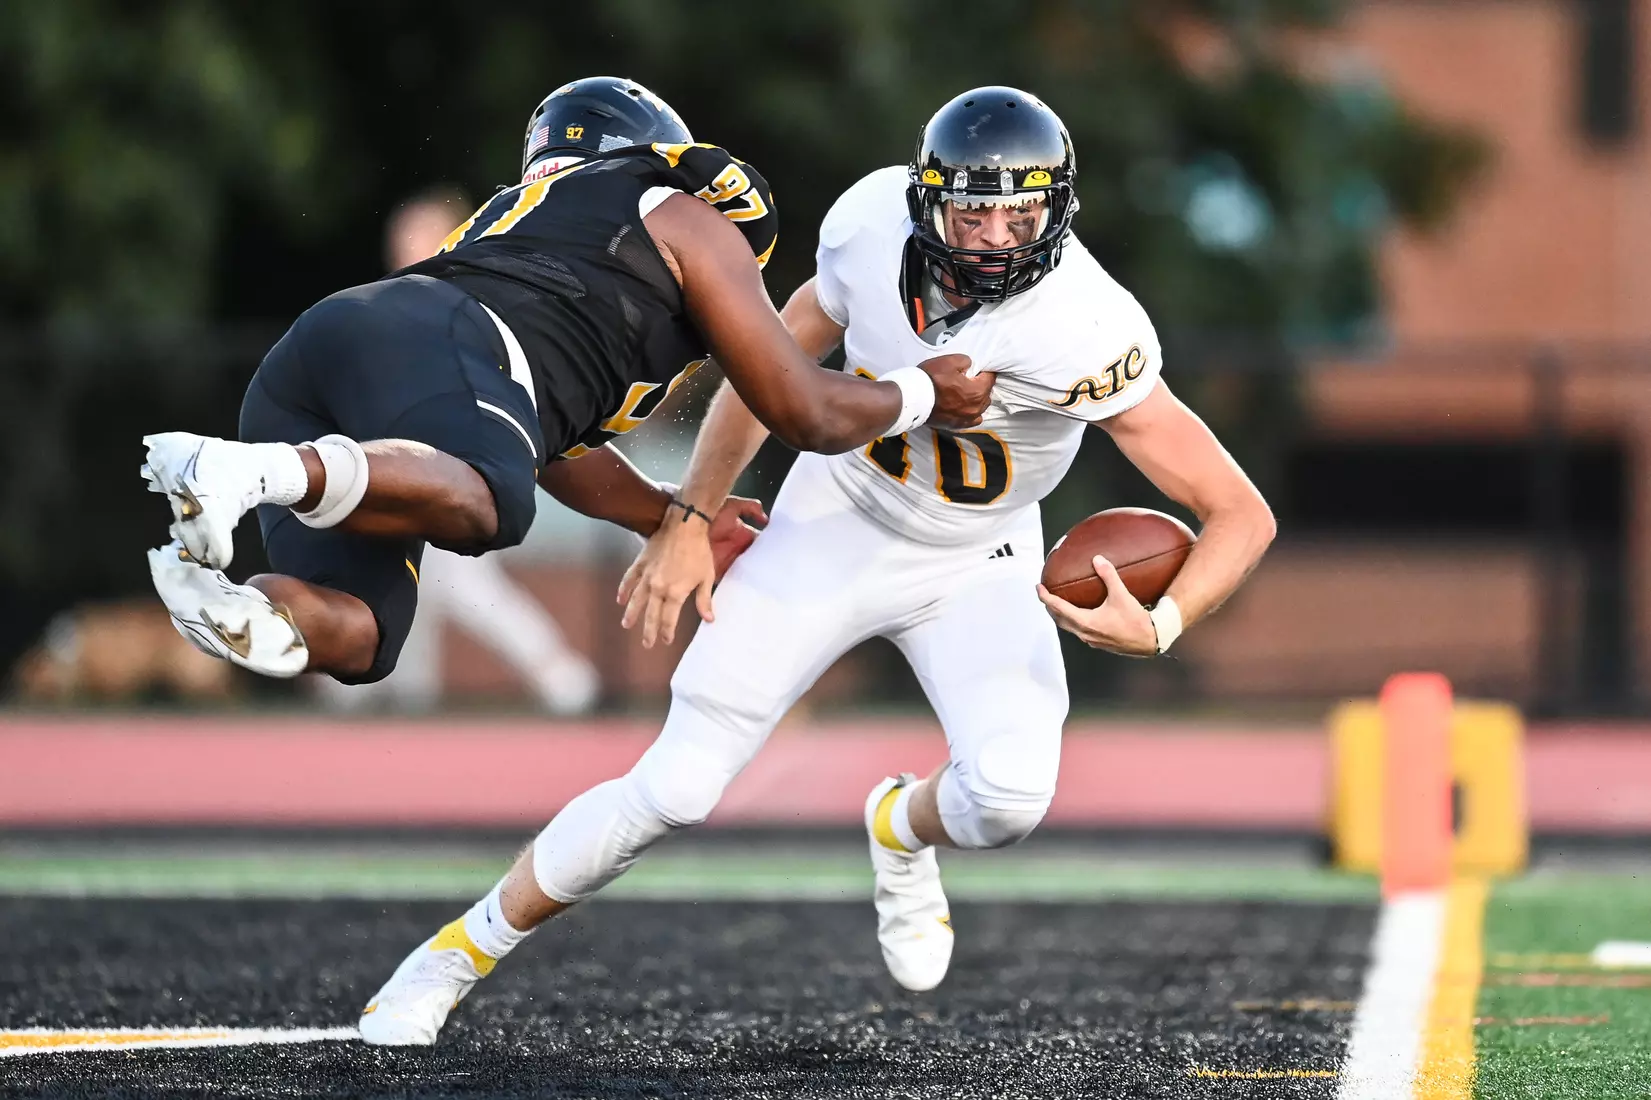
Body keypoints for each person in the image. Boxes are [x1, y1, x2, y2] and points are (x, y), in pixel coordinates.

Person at [353, 85, 1276, 1047]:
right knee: (676, 787)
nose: (998, 233)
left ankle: (900, 829)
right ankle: (451, 956)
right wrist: (688, 512)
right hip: (836, 511)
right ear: (927, 201)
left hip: (978, 552)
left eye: (1021, 208)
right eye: (972, 207)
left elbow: (1237, 514)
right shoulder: (870, 225)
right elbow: (776, 359)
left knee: (1008, 799)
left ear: (1059, 208)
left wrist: (1162, 625)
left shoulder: (1088, 325)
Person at [139, 76, 991, 693]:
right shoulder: (675, 208)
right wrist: (919, 395)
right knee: (489, 508)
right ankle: (244, 473)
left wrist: (669, 516)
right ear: (648, 145)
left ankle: (222, 596)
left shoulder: (514, 224)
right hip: (442, 336)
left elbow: (543, 444)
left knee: (359, 637)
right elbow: (801, 407)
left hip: (335, 359)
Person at [312, 187, 599, 715]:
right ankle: (387, 696)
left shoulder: (472, 297)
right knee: (400, 585)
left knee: (463, 588)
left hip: (457, 475)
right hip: (395, 475)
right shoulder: (384, 301)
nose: (407, 247)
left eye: (420, 236)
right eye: (402, 238)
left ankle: (561, 676)